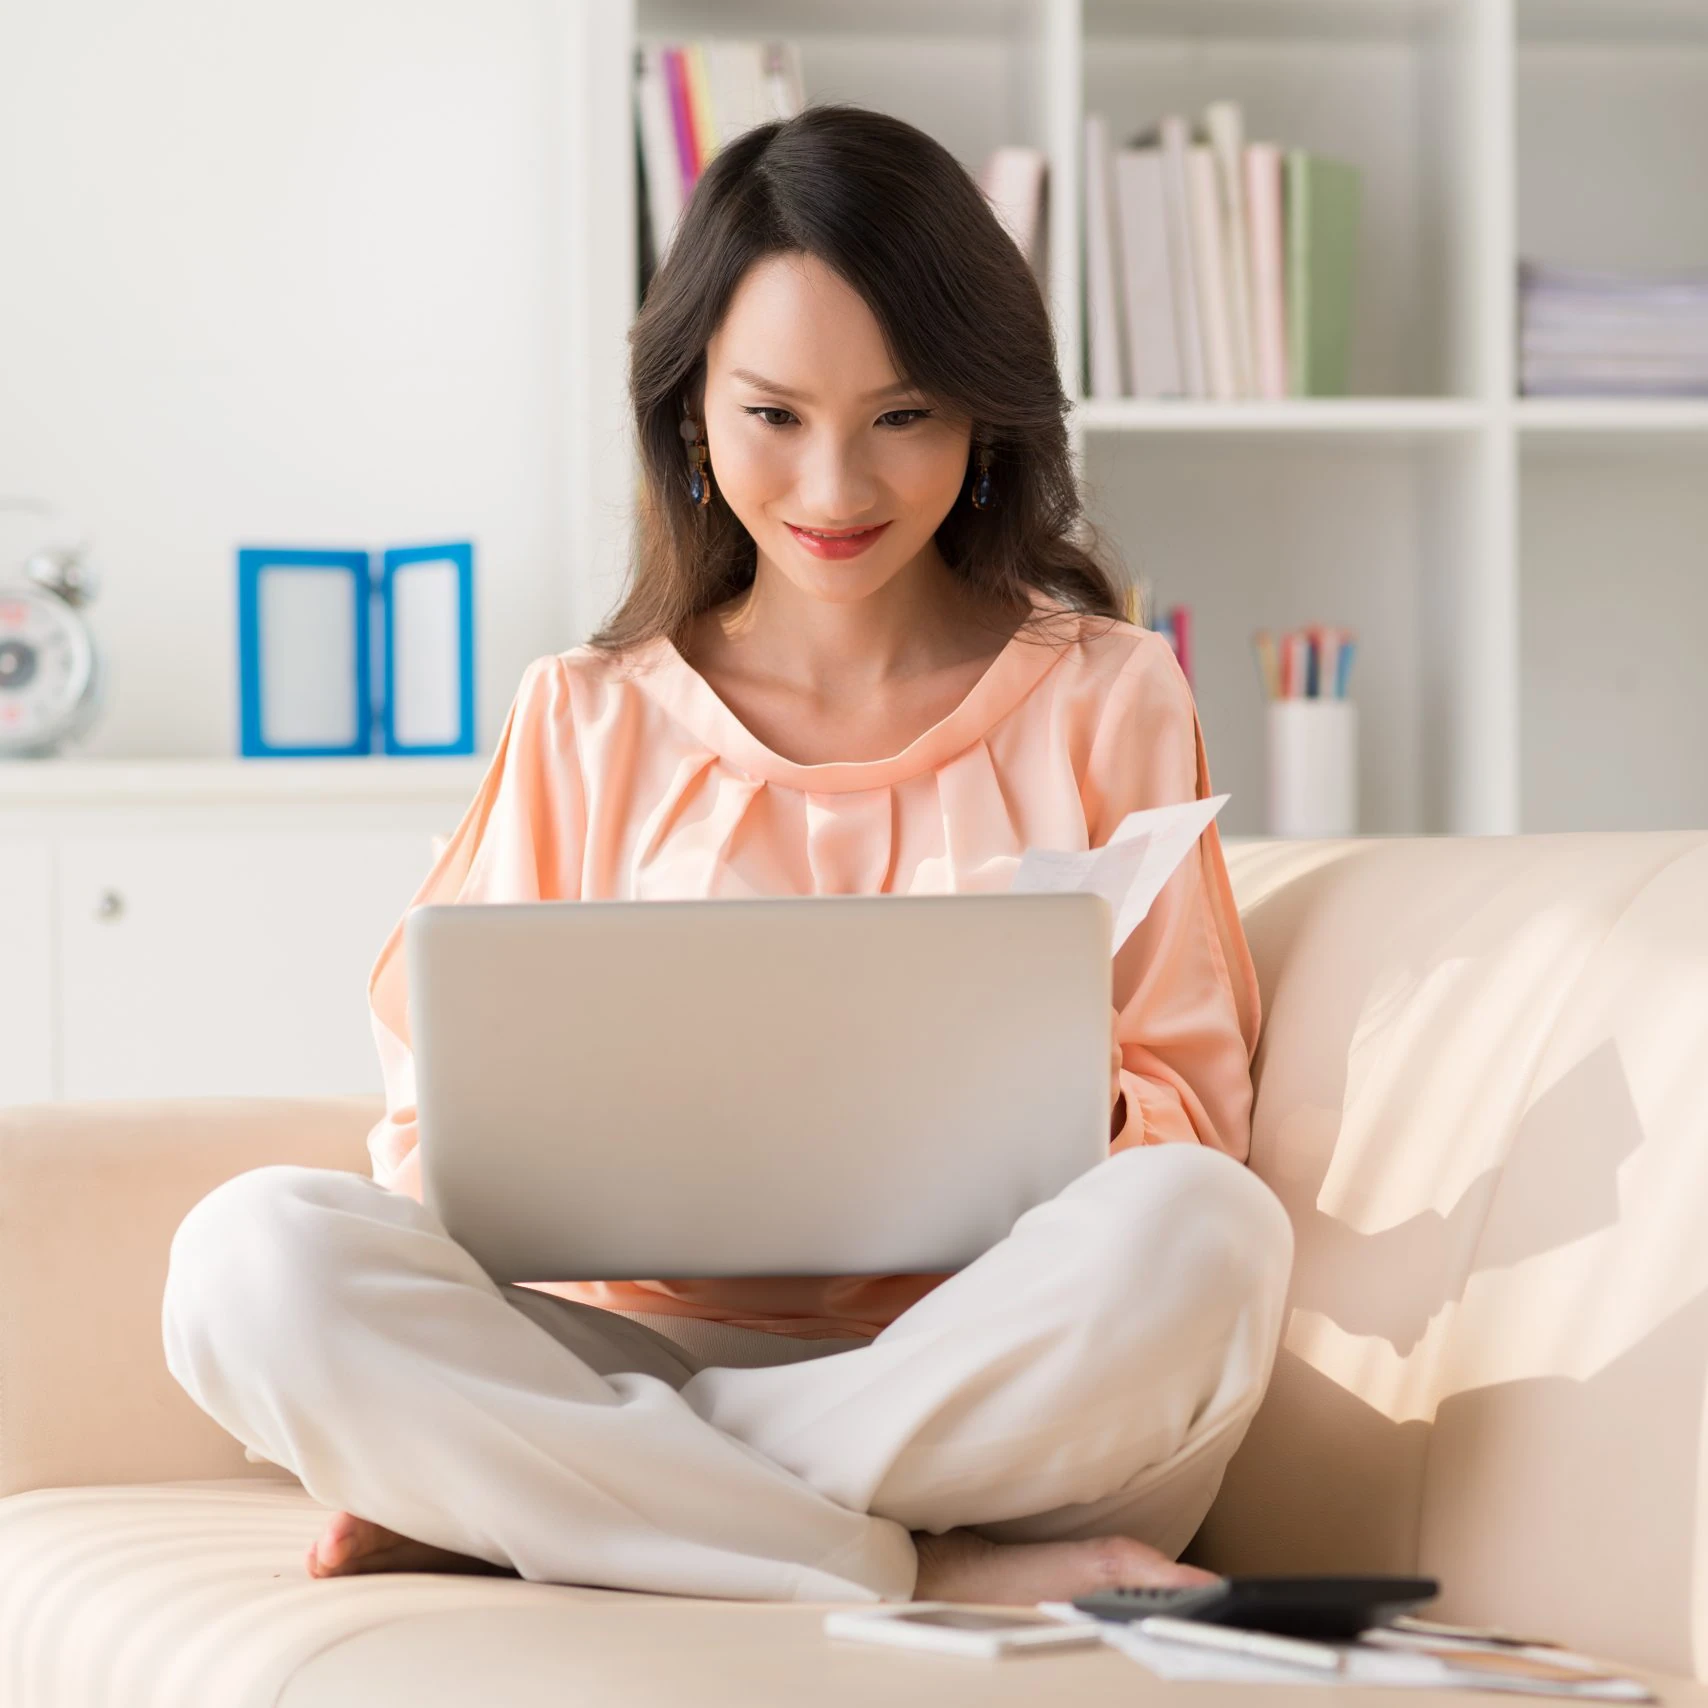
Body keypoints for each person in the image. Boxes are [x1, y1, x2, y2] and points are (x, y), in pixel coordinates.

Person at [162, 104, 1293, 1608]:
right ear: (692, 408)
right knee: (249, 1259)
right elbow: (437, 1143)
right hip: (624, 1344)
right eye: (774, 416)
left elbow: (1194, 1112)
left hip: (985, 1371)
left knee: (1206, 1238)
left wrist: (1038, 1088)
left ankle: (580, 1506)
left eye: (902, 416)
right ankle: (922, 1567)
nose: (835, 490)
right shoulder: (580, 715)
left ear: (984, 414)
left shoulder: (1108, 693)